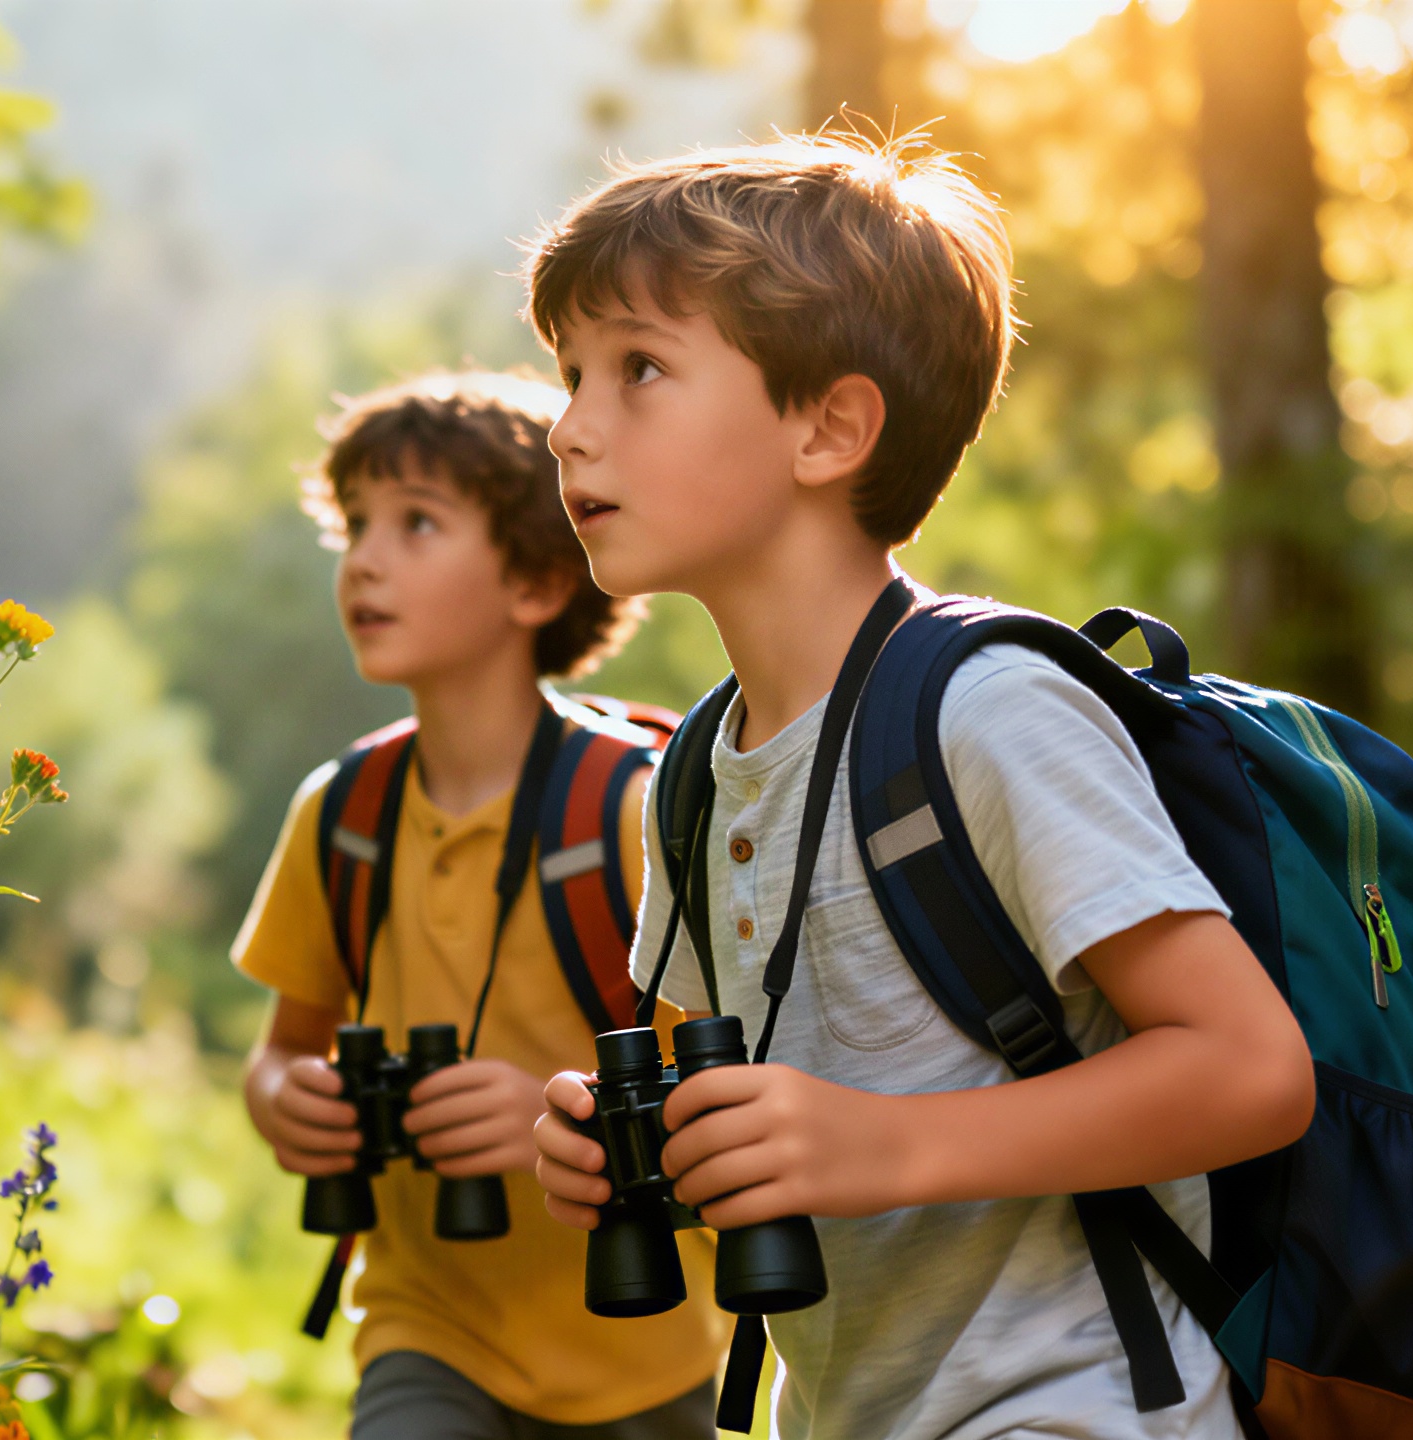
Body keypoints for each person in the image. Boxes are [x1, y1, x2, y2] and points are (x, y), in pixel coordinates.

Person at [525, 134, 1319, 1439]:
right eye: (570, 376)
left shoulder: (993, 714)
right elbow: (744, 1110)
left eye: (640, 371)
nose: (568, 426)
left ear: (829, 426)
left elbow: (1249, 1071)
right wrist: (620, 1150)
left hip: (1084, 1410)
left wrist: (884, 1147)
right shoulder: (695, 773)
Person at [233, 372, 732, 1439]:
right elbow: (280, 1052)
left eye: (417, 525)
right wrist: (286, 1101)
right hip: (424, 1325)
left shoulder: (633, 813)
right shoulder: (343, 814)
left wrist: (557, 1121)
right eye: (355, 525)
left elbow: (735, 1085)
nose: (364, 558)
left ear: (540, 582)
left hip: (648, 1346)